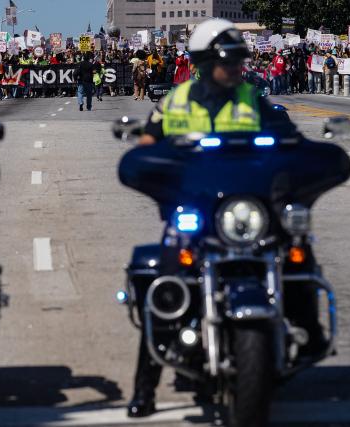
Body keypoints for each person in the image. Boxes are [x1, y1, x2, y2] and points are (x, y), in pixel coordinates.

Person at [130, 19, 297, 418]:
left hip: (246, 209)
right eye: (227, 60)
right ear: (205, 62)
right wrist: (156, 174)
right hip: (196, 210)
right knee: (164, 286)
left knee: (297, 254)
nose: (236, 67)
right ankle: (144, 388)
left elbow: (289, 138)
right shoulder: (176, 101)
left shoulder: (253, 100)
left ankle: (304, 331)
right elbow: (148, 146)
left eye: (240, 59)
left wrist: (297, 155)